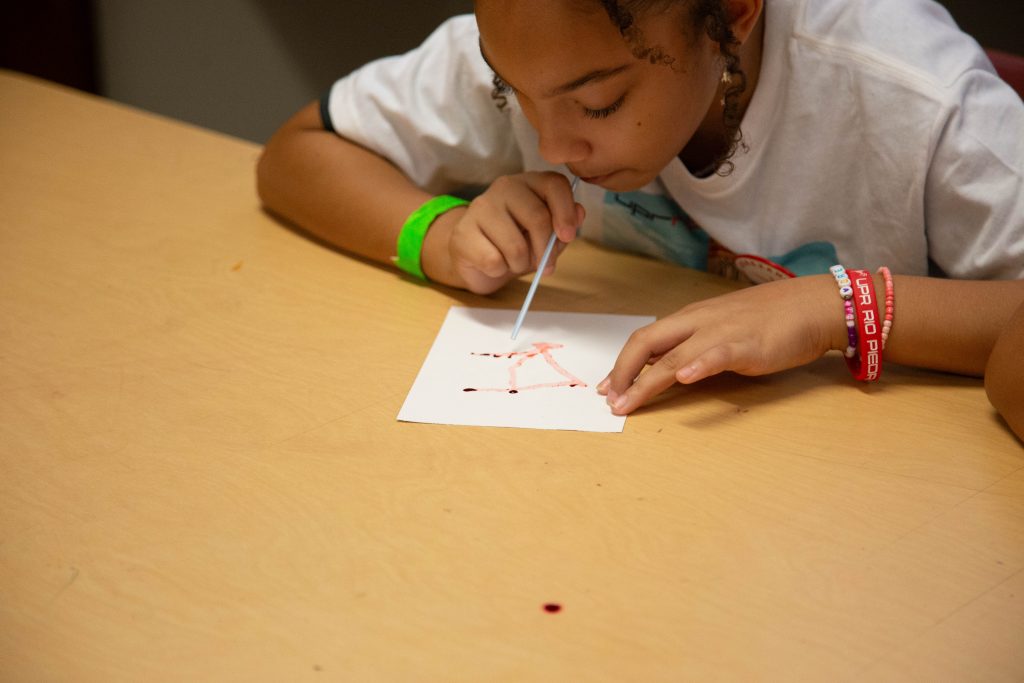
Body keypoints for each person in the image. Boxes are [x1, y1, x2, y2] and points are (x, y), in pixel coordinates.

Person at [256, 0, 1024, 438]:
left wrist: (833, 306)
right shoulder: (542, 31)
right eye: (510, 96)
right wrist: (439, 232)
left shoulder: (921, 103)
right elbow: (298, 152)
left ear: (732, 14)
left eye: (598, 104)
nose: (552, 144)